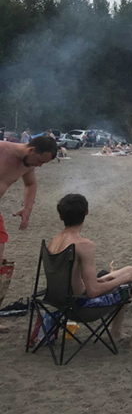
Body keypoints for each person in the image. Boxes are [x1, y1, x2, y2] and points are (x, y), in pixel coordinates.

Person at [46, 194, 132, 347]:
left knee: (130, 269)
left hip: (60, 302)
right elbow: (93, 291)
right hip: (83, 306)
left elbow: (70, 278)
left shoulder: (54, 242)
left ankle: (116, 333)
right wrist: (121, 280)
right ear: (86, 213)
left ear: (61, 216)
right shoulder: (83, 245)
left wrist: (104, 279)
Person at [0, 135, 58, 333]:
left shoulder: (28, 165)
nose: (39, 166)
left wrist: (27, 208)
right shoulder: (2, 149)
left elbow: (30, 185)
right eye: (40, 161)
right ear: (31, 150)